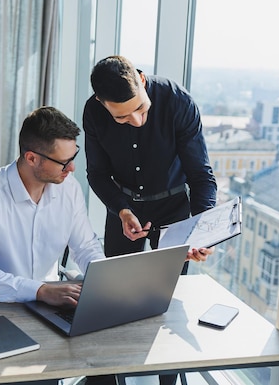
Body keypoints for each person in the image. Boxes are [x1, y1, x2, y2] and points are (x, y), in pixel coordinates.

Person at [83, 56, 217, 385]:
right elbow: (97, 174)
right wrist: (122, 210)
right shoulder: (93, 112)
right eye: (124, 116)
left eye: (141, 109)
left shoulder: (178, 102)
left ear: (142, 80)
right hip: (123, 206)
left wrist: (199, 231)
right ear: (102, 103)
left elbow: (202, 178)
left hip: (174, 209)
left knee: (166, 302)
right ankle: (107, 378)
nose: (138, 120)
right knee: (112, 300)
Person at [0, 106, 105, 307]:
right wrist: (40, 291)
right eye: (64, 162)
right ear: (32, 158)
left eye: (73, 157)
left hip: (53, 305)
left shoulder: (69, 188)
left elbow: (86, 247)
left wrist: (106, 282)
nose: (72, 168)